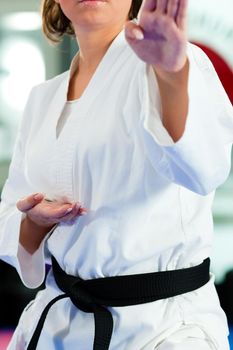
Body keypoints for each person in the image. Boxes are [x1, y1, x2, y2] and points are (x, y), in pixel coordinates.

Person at [0, 0, 233, 349]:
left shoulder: (175, 61)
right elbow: (9, 214)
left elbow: (205, 168)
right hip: (60, 324)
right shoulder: (40, 99)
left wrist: (170, 75)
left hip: (163, 328)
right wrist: (33, 222)